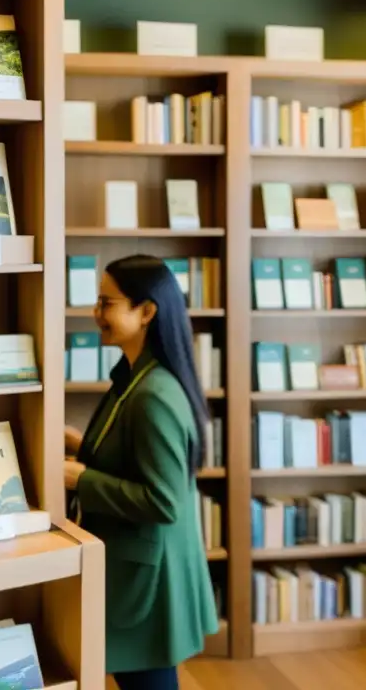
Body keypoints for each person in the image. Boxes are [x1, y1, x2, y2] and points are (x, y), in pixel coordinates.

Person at [63, 254, 218, 690]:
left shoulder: (153, 394)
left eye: (107, 303)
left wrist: (79, 479)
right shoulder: (135, 378)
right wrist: (82, 444)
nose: (97, 314)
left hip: (148, 577)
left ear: (146, 312)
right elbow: (132, 456)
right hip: (140, 567)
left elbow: (163, 500)